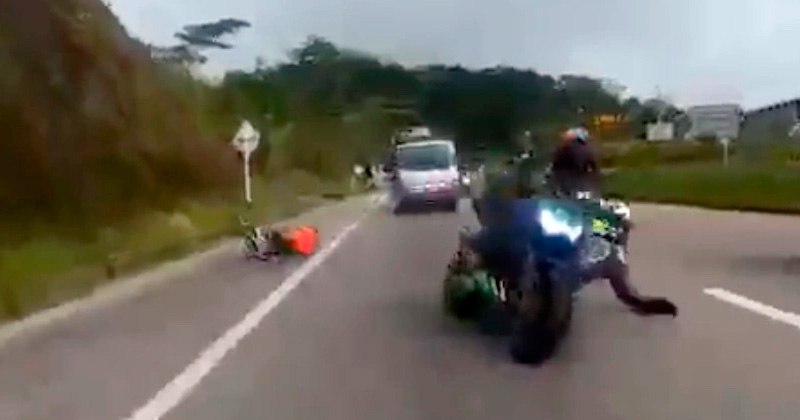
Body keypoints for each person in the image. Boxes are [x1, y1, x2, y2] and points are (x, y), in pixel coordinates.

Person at [467, 191, 677, 316]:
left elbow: (623, 285)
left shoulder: (603, 242)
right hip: (523, 238)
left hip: (567, 261)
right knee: (489, 247)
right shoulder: (527, 208)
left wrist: (641, 302)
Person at [549, 124, 601, 197]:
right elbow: (592, 167)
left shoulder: (562, 149)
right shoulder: (586, 149)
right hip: (579, 181)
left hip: (565, 181)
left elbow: (555, 166)